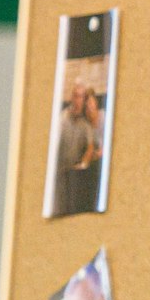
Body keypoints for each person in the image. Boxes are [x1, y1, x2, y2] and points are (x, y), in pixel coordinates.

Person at [52, 83, 100, 215]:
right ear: (72, 98)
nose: (79, 100)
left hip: (73, 177)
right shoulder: (61, 119)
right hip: (58, 174)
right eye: (76, 96)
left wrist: (83, 164)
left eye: (82, 97)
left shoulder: (85, 124)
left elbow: (90, 146)